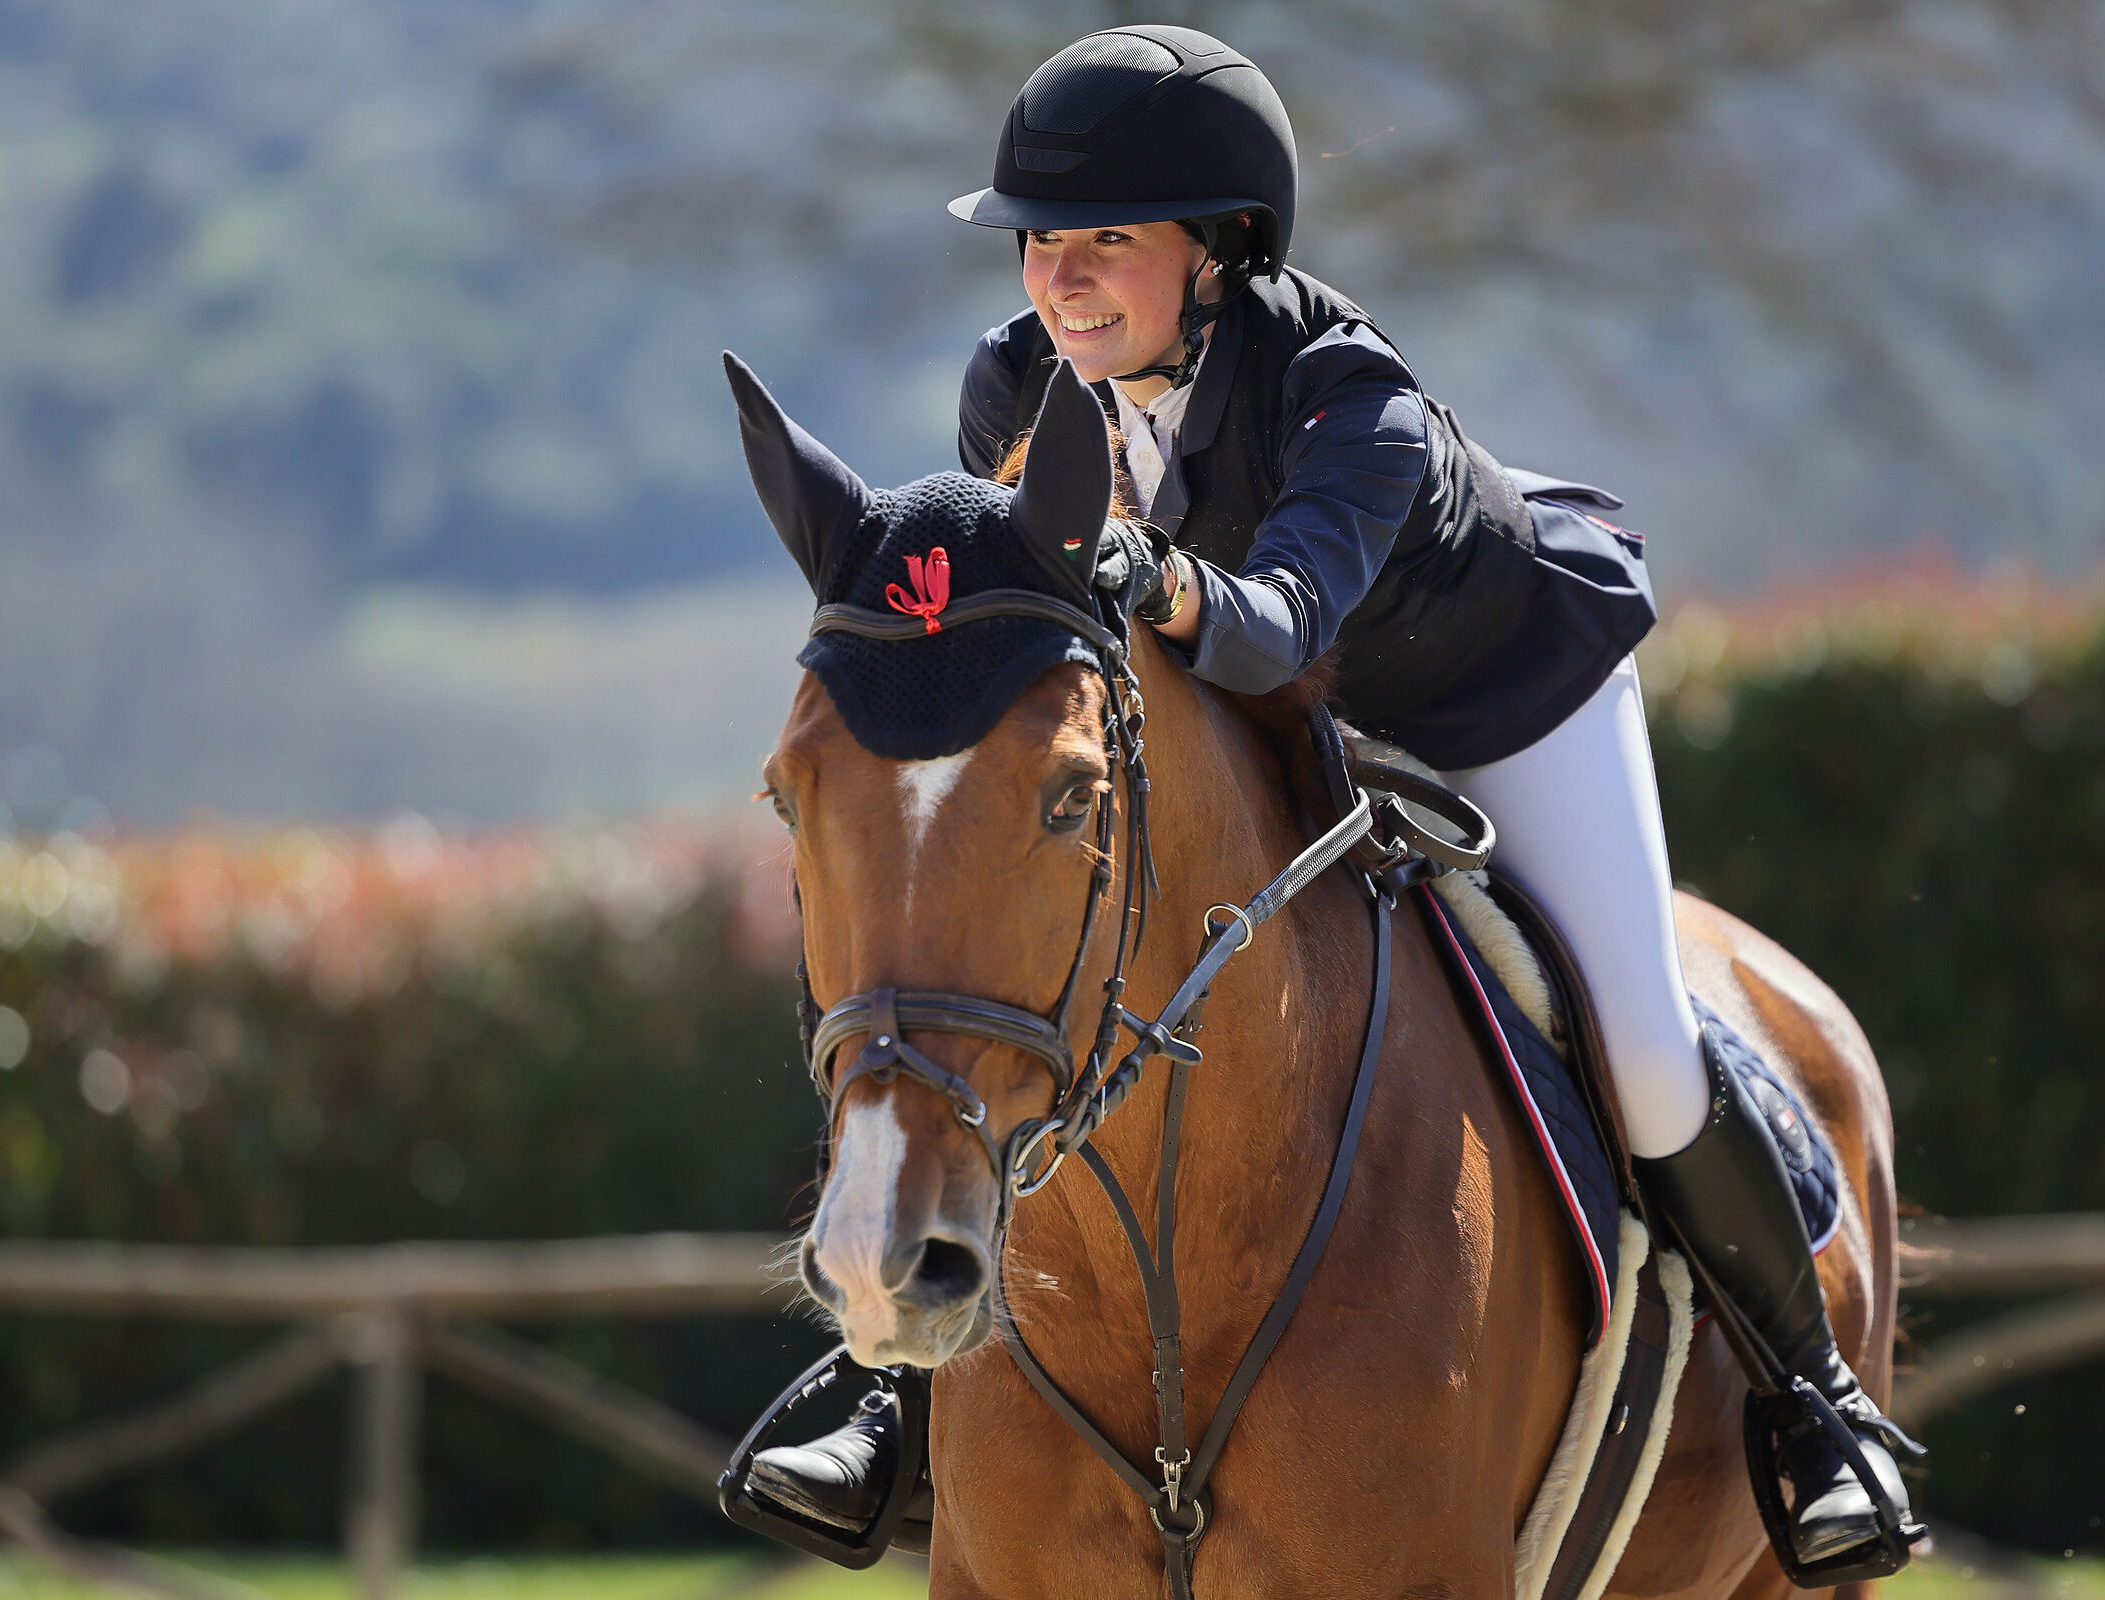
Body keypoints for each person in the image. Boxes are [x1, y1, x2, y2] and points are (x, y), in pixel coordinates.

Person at [741, 23, 1919, 1574]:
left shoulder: (1344, 393)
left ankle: (1814, 1409)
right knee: (1057, 999)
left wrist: (1153, 573)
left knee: (1640, 1044)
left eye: (1107, 241)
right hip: (1267, 740)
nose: (1059, 280)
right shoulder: (1016, 386)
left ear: (1222, 249)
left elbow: (1283, 626)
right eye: (1038, 242)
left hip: (1503, 704)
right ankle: (895, 1376)